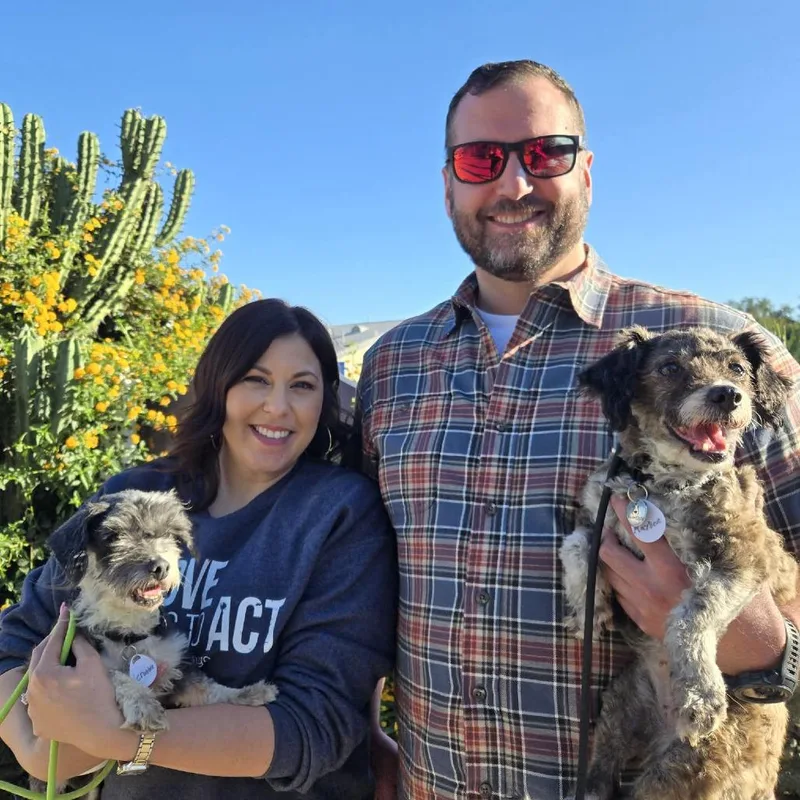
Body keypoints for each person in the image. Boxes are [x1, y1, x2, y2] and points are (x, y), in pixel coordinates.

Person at [355, 60, 800, 799]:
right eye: (480, 159)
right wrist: (366, 740)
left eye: (544, 153)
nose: (513, 184)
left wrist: (760, 644)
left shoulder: (717, 349)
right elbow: (364, 569)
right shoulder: (394, 366)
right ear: (447, 184)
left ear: (585, 170)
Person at [0, 298, 398, 799]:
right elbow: (15, 640)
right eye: (255, 379)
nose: (278, 406)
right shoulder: (134, 496)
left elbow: (315, 725)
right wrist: (34, 750)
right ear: (219, 385)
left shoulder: (338, 514)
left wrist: (118, 740)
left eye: (302, 385)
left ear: (324, 401)